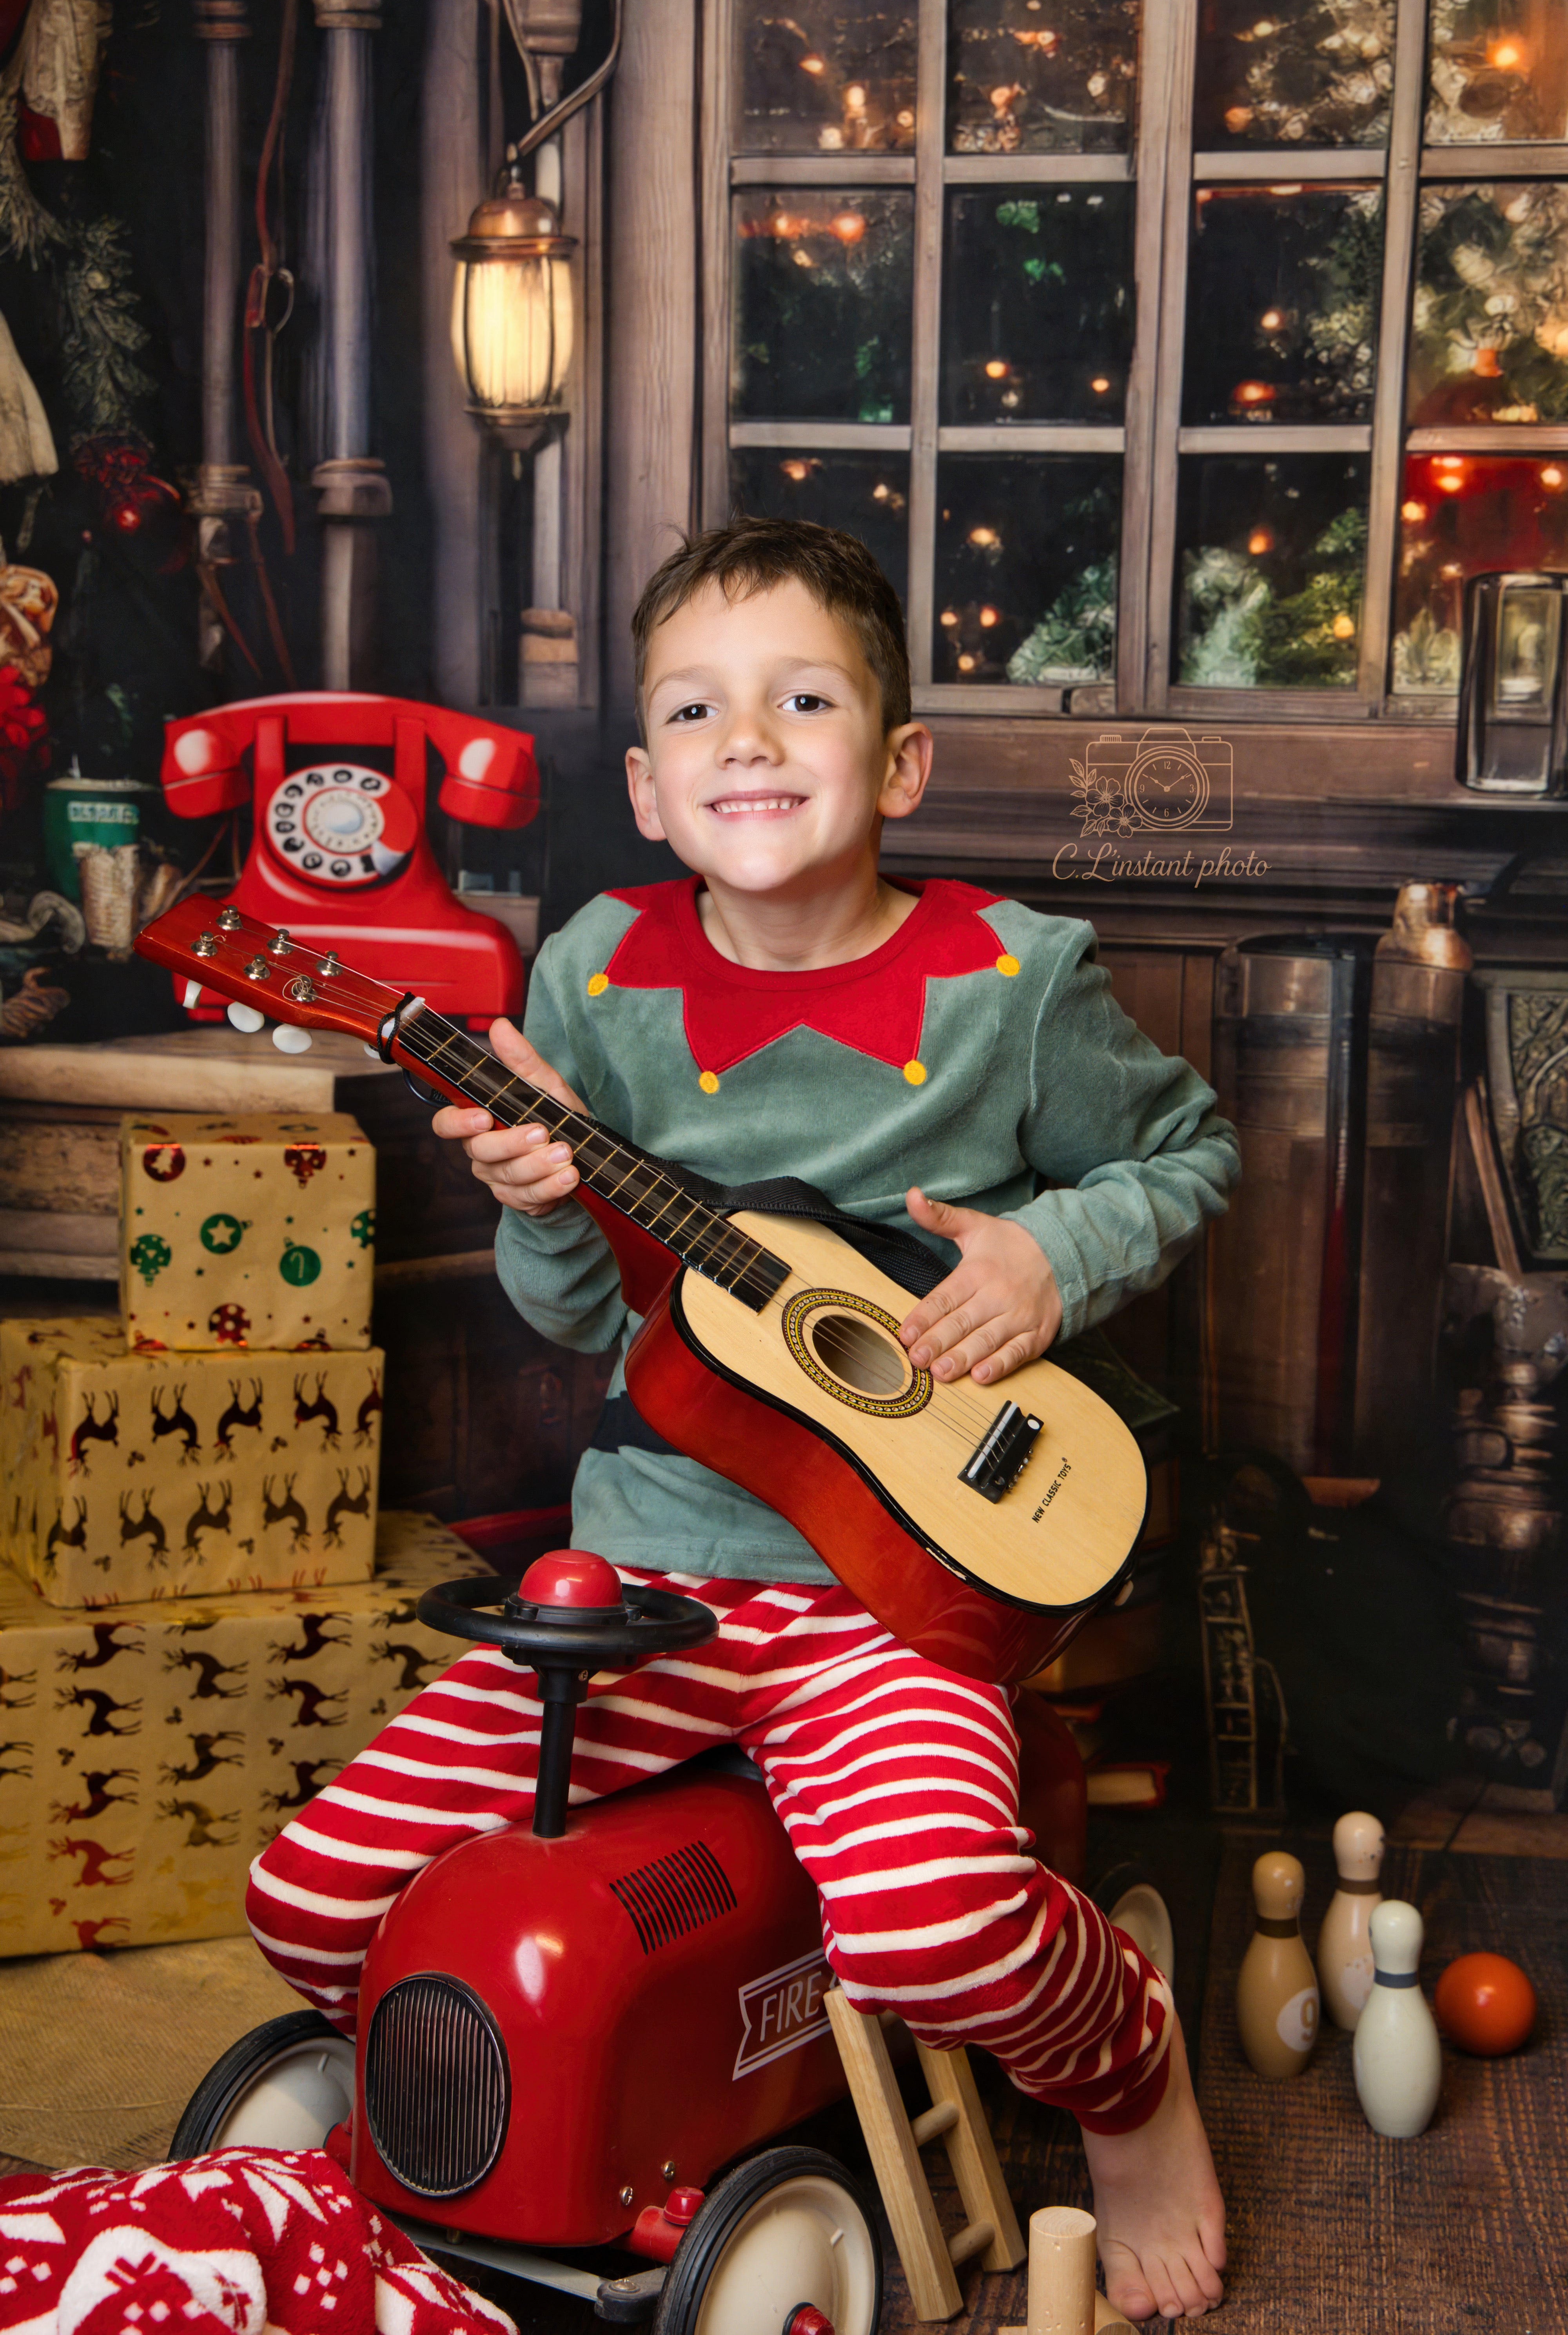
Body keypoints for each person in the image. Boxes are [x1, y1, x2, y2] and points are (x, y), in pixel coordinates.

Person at [247, 519, 1238, 2323]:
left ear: (902, 760)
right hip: (652, 1582)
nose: (749, 744)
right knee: (311, 1900)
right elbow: (570, 1327)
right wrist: (545, 1203)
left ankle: (1130, 2062)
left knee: (937, 1930)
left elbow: (1191, 1155)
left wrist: (1051, 1256)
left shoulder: (1015, 984)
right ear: (643, 782)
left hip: (907, 1595)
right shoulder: (591, 983)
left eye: (802, 699)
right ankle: (538, 2118)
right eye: (697, 713)